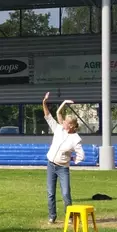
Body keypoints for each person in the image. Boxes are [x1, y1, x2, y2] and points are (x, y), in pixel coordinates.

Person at [42, 92, 85, 224]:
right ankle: (52, 216)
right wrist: (45, 102)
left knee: (66, 193)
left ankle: (70, 216)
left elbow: (81, 155)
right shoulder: (59, 129)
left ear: (71, 126)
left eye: (66, 122)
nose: (63, 122)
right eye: (64, 121)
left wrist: (73, 160)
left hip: (63, 168)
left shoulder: (76, 139)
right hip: (51, 165)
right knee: (50, 193)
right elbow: (50, 116)